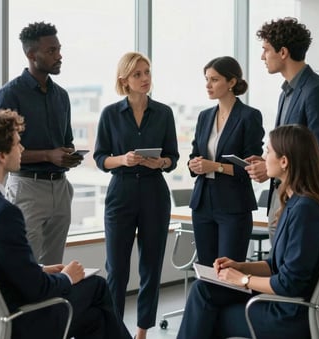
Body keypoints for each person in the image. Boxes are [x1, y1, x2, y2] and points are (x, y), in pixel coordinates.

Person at [0, 109, 132, 339]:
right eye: (18, 143)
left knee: (95, 320)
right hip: (17, 322)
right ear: (1, 155)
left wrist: (38, 269)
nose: (21, 149)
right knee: (97, 287)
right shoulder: (4, 213)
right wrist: (68, 276)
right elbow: (37, 290)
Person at [177, 124, 319, 339]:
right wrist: (238, 266)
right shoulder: (296, 202)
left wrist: (242, 279)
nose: (262, 157)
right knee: (203, 289)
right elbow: (273, 266)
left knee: (207, 314)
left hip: (288, 314)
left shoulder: (306, 210)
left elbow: (289, 283)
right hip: (281, 302)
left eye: (268, 151)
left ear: (284, 162)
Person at [93, 51, 179, 339]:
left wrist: (162, 162)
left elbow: (173, 157)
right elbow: (100, 158)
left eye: (147, 72)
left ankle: (142, 331)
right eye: (137, 74)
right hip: (121, 192)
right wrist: (123, 159)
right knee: (116, 269)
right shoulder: (110, 114)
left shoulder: (164, 113)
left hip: (155, 192)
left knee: (151, 266)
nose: (145, 79)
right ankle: (115, 330)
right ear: (124, 80)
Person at [0, 21, 83, 265]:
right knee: (25, 265)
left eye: (59, 49)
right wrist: (48, 155)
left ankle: (52, 305)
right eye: (51, 51)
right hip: (27, 188)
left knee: (54, 265)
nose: (59, 55)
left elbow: (66, 141)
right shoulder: (9, 95)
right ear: (31, 54)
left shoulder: (61, 96)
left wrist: (68, 154)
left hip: (61, 189)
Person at [246, 17, 319, 244]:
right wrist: (268, 160)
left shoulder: (315, 91)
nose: (262, 57)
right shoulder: (287, 92)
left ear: (283, 52)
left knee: (289, 274)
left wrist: (275, 168)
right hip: (281, 195)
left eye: (266, 50)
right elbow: (290, 146)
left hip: (300, 200)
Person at [188, 56, 264, 267]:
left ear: (231, 82)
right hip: (202, 203)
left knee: (228, 269)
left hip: (233, 204)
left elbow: (251, 167)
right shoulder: (204, 116)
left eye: (214, 79)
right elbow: (195, 154)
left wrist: (216, 166)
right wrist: (194, 164)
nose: (208, 85)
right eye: (207, 79)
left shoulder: (249, 116)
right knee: (206, 268)